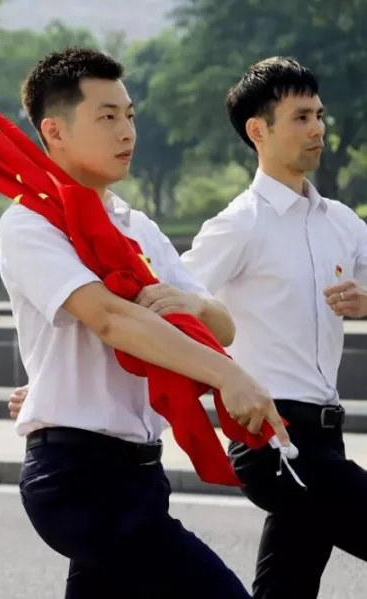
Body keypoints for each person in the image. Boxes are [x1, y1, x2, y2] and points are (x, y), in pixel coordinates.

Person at [0, 47, 289, 598]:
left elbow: (221, 325)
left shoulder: (137, 227)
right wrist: (229, 375)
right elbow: (109, 319)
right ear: (55, 131)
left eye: (129, 115)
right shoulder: (31, 224)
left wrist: (191, 306)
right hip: (78, 474)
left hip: (140, 473)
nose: (126, 131)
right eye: (106, 117)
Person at [179, 56, 367, 599]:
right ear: (257, 131)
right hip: (271, 439)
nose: (318, 129)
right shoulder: (238, 225)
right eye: (301, 117)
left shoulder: (341, 221)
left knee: (286, 588)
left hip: (325, 437)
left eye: (319, 115)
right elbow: (168, 304)